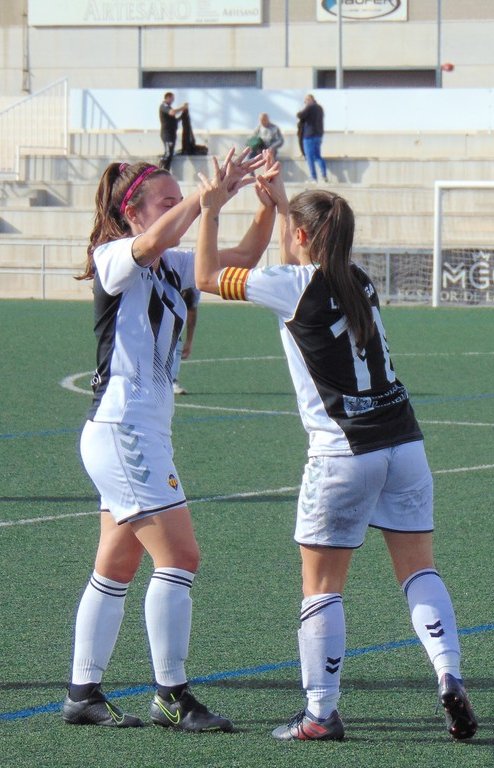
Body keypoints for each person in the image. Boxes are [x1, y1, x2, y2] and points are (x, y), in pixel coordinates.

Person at [192, 158, 478, 742]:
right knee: (419, 569)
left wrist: (211, 211)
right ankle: (448, 675)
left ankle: (320, 713)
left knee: (322, 587)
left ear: (301, 236)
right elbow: (298, 252)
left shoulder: (290, 285)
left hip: (342, 451)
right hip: (404, 441)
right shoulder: (359, 278)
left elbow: (204, 276)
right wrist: (279, 204)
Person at [64, 149, 275, 731]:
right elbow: (153, 241)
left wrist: (261, 206)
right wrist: (202, 202)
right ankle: (172, 695)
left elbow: (243, 260)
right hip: (123, 430)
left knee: (117, 562)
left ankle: (83, 694)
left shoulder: (173, 264)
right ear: (132, 211)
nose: (177, 205)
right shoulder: (112, 256)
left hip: (140, 431)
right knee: (180, 555)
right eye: (165, 199)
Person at [171, 287, 200, 395]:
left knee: (174, 334)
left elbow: (192, 308)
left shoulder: (194, 281)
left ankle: (172, 380)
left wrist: (189, 341)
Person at [296, 94, 328, 183]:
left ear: (310, 100)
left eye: (306, 100)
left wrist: (302, 109)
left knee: (309, 157)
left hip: (309, 136)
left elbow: (300, 115)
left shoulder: (309, 107)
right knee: (318, 156)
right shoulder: (319, 108)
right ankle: (324, 174)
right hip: (319, 135)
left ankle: (313, 177)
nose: (305, 102)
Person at [159, 92, 187, 172]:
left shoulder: (169, 107)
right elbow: (172, 112)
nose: (173, 100)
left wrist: (183, 115)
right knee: (168, 154)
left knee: (170, 154)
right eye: (172, 98)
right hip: (167, 134)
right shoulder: (164, 106)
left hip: (171, 135)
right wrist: (182, 108)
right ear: (168, 97)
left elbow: (174, 120)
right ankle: (161, 170)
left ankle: (166, 171)